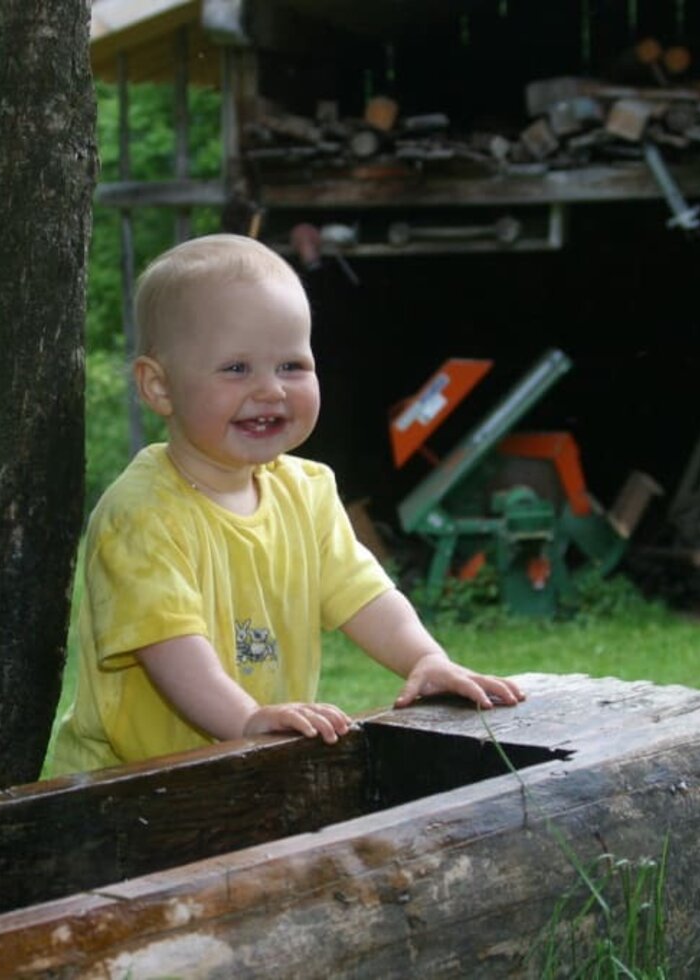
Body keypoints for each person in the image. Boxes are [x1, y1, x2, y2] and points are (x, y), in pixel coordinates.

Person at [46, 234, 524, 775]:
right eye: (236, 369)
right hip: (126, 790)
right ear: (159, 387)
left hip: (253, 766)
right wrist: (247, 719)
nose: (271, 390)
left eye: (292, 365)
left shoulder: (308, 490)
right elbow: (170, 648)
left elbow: (364, 595)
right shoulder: (141, 515)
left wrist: (425, 659)